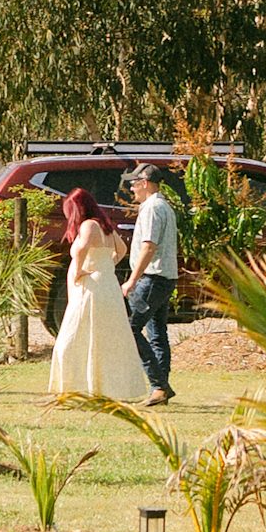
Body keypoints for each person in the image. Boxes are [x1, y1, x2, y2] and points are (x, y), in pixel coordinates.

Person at [45, 187, 142, 403]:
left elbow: (81, 249)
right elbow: (122, 249)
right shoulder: (105, 225)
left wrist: (79, 269)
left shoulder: (89, 225)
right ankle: (99, 387)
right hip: (107, 284)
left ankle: (71, 387)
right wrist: (106, 265)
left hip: (91, 288)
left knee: (71, 335)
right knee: (102, 338)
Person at [124, 161, 182, 405]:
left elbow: (149, 246)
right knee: (157, 334)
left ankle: (159, 386)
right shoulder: (164, 206)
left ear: (145, 183)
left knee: (131, 328)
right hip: (166, 276)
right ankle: (160, 390)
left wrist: (131, 280)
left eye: (134, 184)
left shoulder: (151, 208)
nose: (132, 190)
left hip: (152, 277)